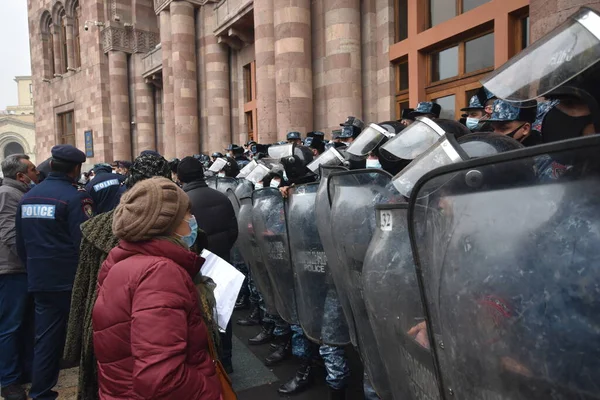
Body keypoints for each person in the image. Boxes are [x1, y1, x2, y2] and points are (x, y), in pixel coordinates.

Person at [92, 177, 221, 400]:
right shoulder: (159, 273)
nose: (192, 220)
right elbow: (163, 379)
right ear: (166, 224)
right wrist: (211, 392)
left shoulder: (122, 261)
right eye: (187, 214)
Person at [63, 153, 174, 400]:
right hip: (158, 334)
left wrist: (76, 342)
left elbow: (83, 289)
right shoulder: (179, 229)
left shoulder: (97, 228)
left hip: (107, 331)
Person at [15, 145, 94, 400]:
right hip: (71, 280)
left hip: (40, 279)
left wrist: (34, 270)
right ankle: (91, 390)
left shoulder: (27, 197)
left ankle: (40, 392)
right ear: (76, 169)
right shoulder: (75, 198)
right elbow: (84, 241)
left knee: (46, 339)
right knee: (87, 337)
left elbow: (20, 243)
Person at [0, 155, 39, 400]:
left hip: (20, 270)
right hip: (11, 270)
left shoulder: (19, 193)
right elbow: (10, 234)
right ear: (20, 176)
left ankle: (24, 371)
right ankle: (8, 381)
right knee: (10, 327)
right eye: (33, 170)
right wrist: (32, 261)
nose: (36, 174)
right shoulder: (7, 194)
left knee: (24, 325)